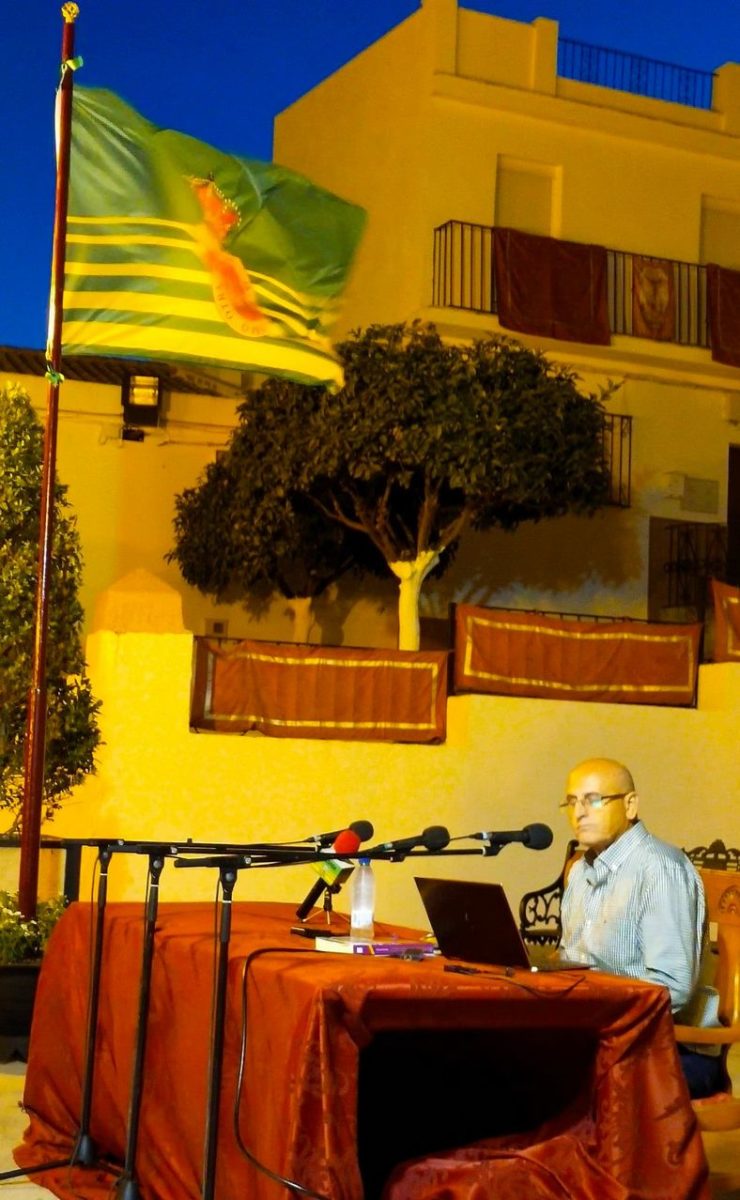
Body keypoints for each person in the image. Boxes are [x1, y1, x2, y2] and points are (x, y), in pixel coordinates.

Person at [559, 756, 722, 1099]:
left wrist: (594, 1012)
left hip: (671, 1047)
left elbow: (671, 989)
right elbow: (570, 964)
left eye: (593, 800)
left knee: (555, 1079)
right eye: (571, 802)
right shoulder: (578, 872)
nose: (579, 813)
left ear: (630, 805)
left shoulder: (660, 870)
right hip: (598, 1033)